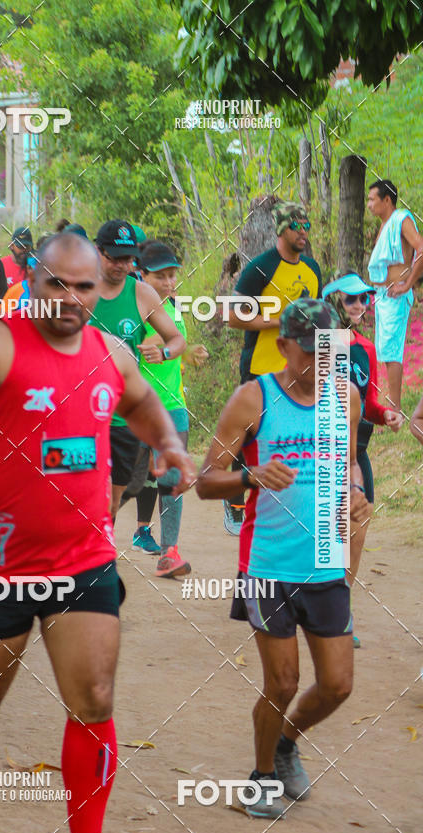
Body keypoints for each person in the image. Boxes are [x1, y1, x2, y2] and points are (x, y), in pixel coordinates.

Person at [0, 233, 195, 833]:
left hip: (84, 558)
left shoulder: (112, 351)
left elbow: (138, 400)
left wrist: (169, 444)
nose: (71, 300)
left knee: (94, 698)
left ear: (101, 287)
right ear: (32, 282)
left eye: (85, 287)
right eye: (57, 286)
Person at [196, 299, 369, 818]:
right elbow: (205, 481)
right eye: (308, 349)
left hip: (325, 555)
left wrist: (356, 492)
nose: (319, 359)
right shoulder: (254, 399)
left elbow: (353, 462)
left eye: (328, 348)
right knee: (283, 682)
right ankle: (262, 776)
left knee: (338, 684)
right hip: (268, 562)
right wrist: (250, 476)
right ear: (283, 346)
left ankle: (288, 742)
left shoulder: (347, 396)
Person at [224, 201, 322, 536]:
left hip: (297, 369)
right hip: (260, 365)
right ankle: (234, 499)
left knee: (289, 436)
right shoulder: (260, 268)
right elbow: (233, 316)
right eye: (296, 226)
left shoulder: (311, 269)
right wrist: (277, 321)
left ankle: (287, 506)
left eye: (306, 226)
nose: (303, 232)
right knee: (248, 436)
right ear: (281, 229)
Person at [322, 273, 402, 646]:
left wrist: (384, 414)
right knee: (327, 530)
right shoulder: (323, 343)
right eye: (351, 300)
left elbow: (367, 403)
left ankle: (341, 606)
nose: (359, 306)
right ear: (336, 301)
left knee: (357, 526)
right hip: (325, 452)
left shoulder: (365, 347)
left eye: (364, 299)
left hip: (359, 451)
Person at [90, 220, 186, 519]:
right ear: (97, 251)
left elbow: (177, 338)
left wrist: (164, 352)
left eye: (127, 258)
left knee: (115, 495)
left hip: (122, 413)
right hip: (82, 409)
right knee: (82, 487)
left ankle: (101, 554)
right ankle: (81, 557)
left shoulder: (142, 294)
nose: (121, 265)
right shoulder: (78, 289)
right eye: (113, 257)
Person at [130, 240, 209, 576]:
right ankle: (95, 547)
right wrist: (160, 345)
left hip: (173, 405)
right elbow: (129, 350)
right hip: (135, 407)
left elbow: (175, 348)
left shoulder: (174, 308)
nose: (168, 282)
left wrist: (190, 352)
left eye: (172, 275)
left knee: (174, 477)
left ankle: (169, 553)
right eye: (160, 276)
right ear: (141, 274)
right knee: (127, 480)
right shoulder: (131, 311)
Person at [366, 179, 423, 413]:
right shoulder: (385, 224)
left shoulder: (401, 219)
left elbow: (421, 247)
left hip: (396, 294)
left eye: (372, 199)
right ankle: (392, 404)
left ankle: (395, 407)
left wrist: (408, 284)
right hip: (383, 296)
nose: (369, 204)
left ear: (386, 200)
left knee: (391, 350)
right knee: (387, 351)